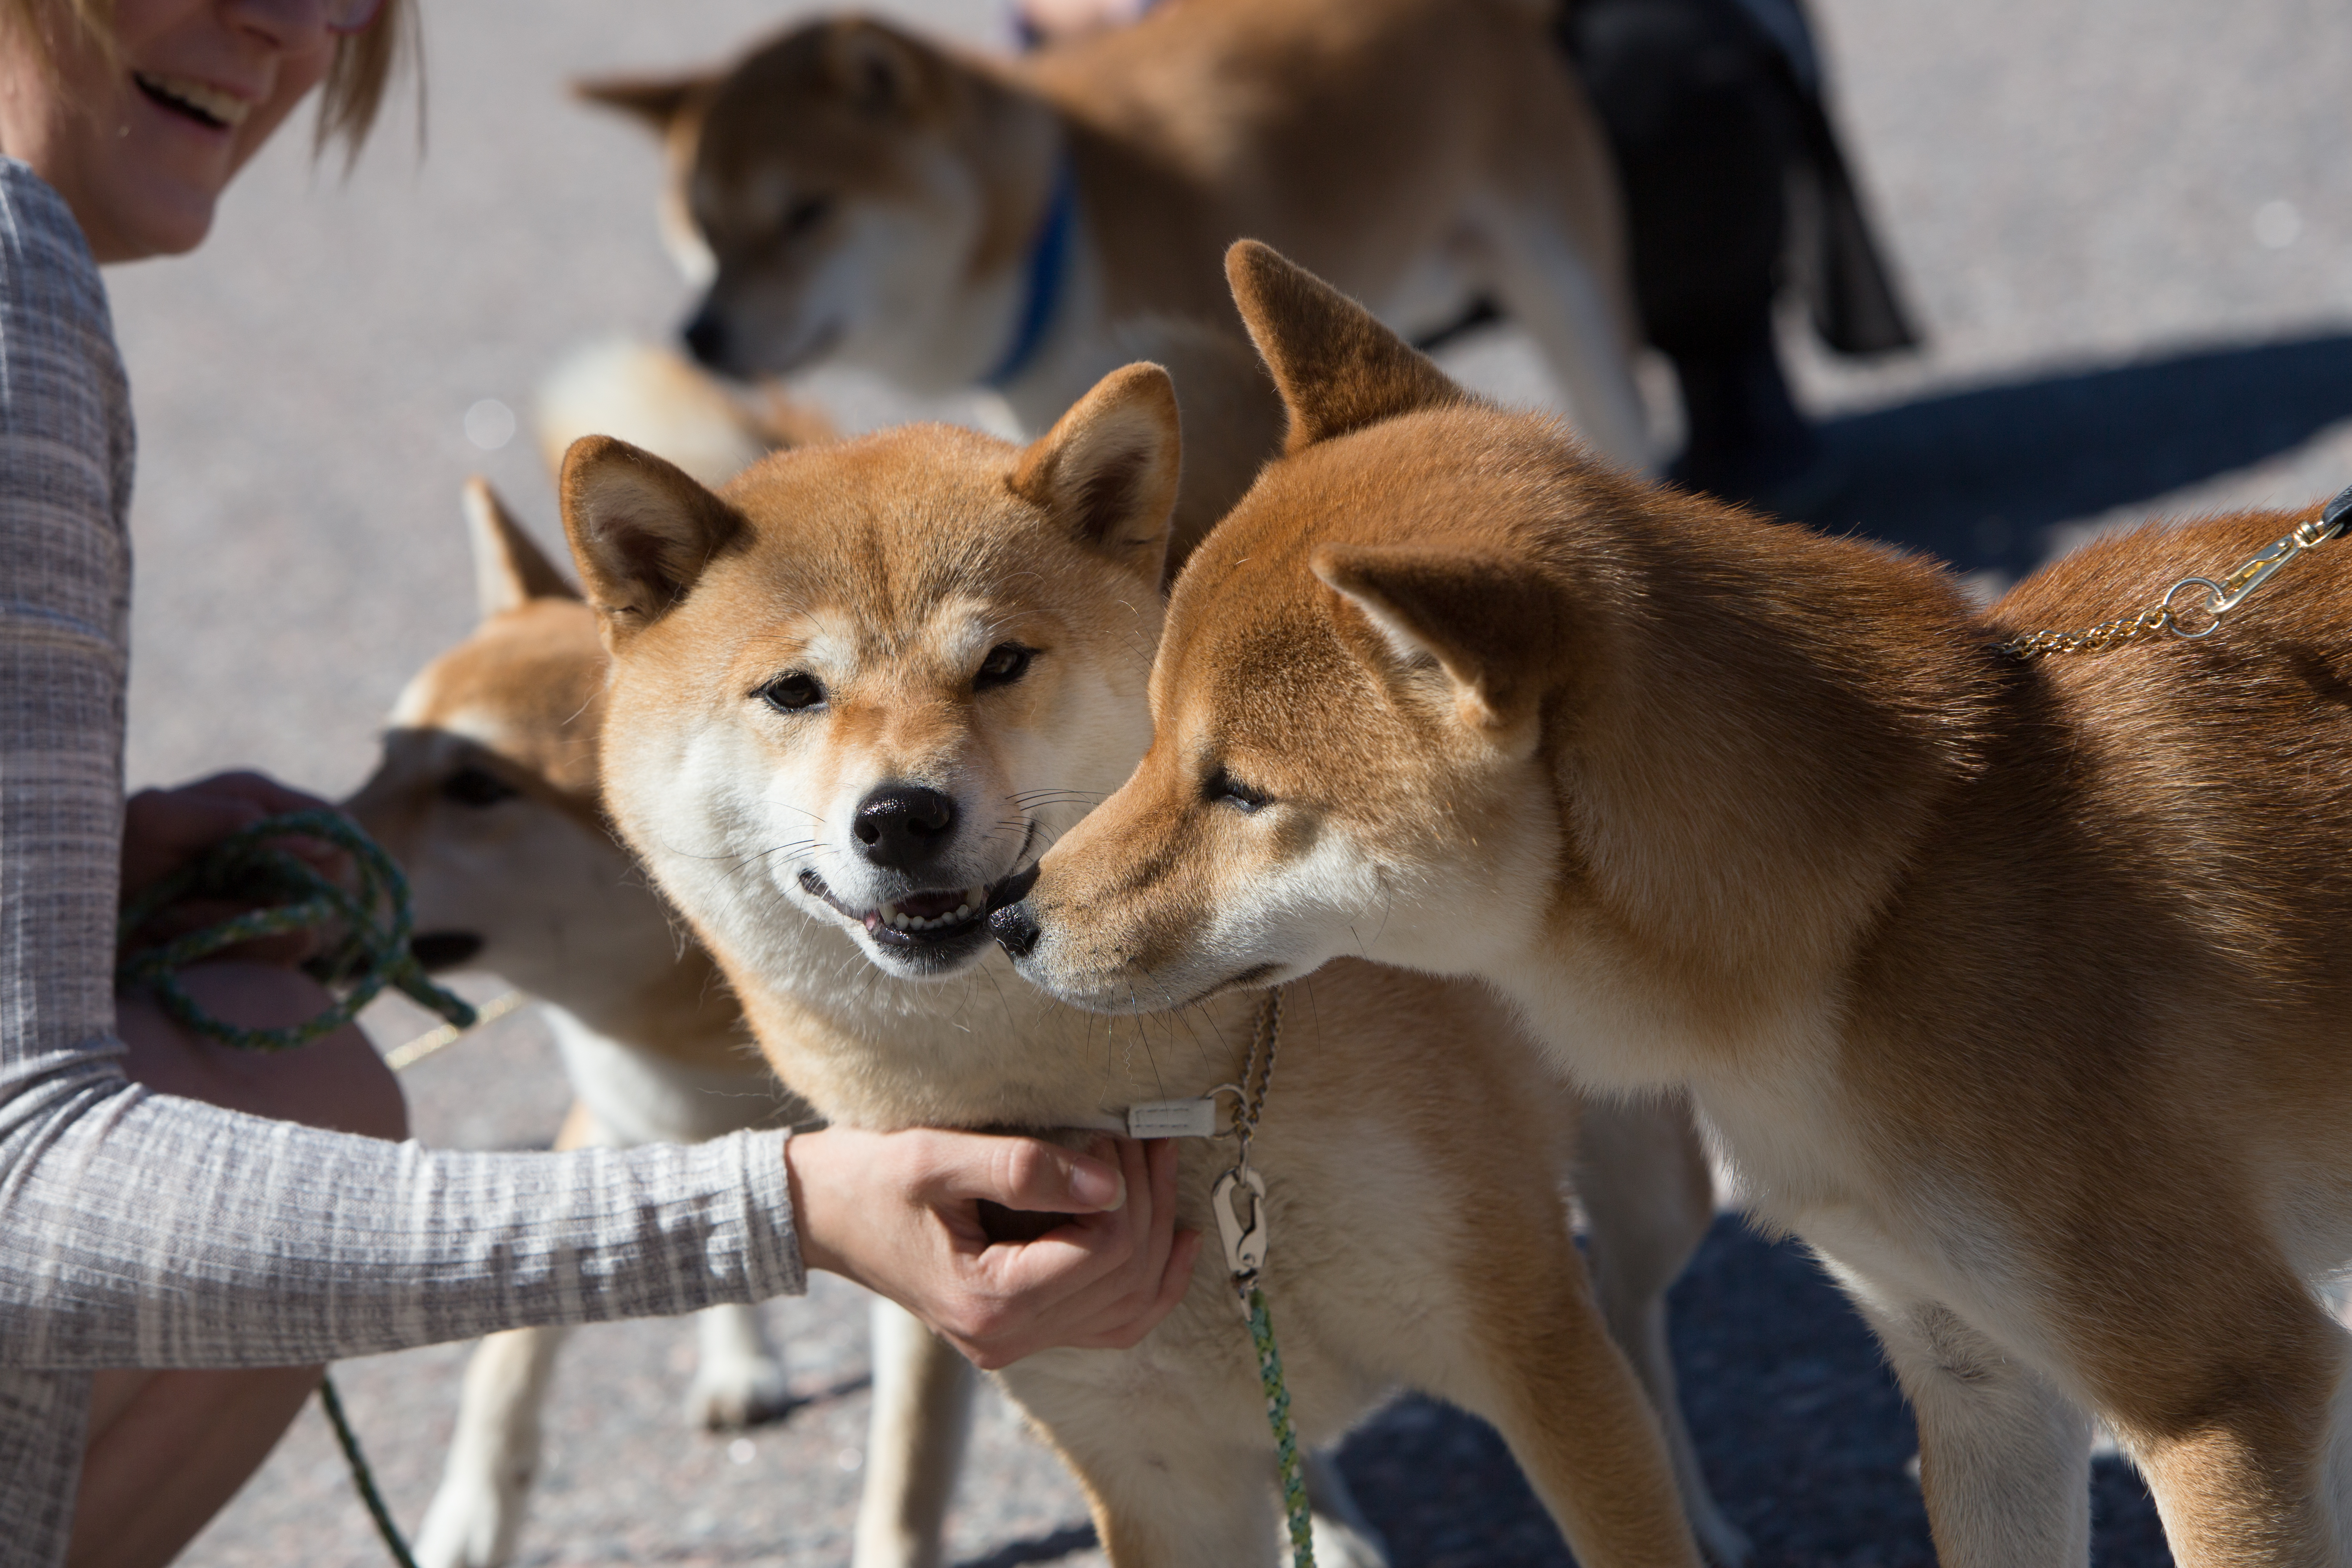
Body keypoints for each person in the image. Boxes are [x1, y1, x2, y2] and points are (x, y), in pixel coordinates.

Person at [0, 4, 1198, 1565]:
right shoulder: (17, 300)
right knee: (308, 1086)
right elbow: (35, 1190)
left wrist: (75, 849)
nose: (288, 23)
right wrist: (780, 1215)